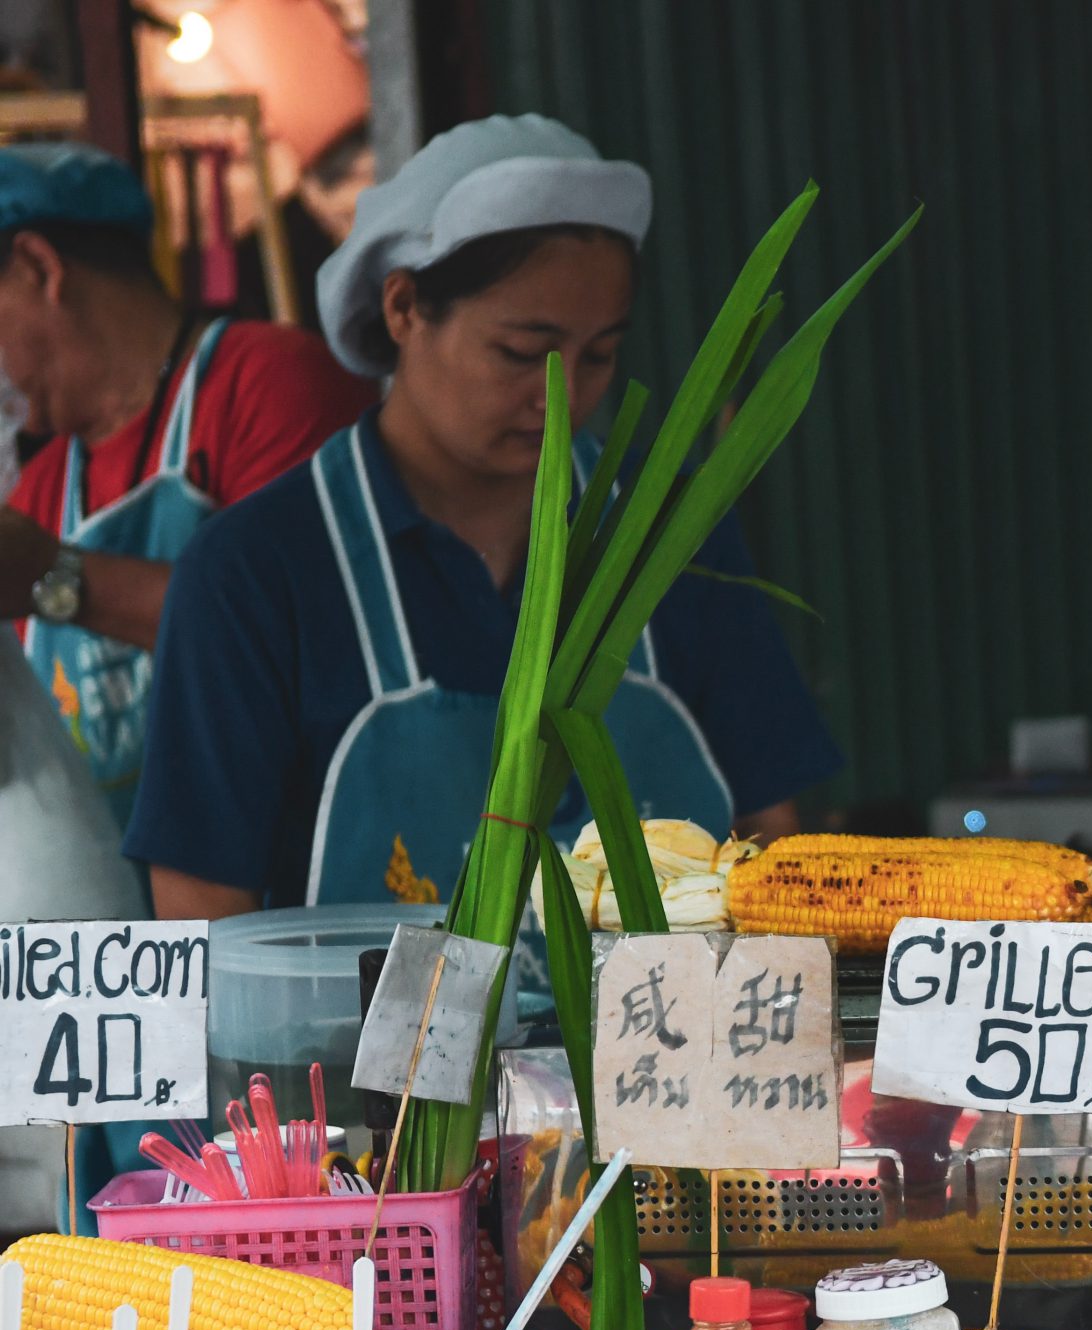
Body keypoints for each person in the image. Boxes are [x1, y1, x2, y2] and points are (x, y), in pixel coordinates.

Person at [127, 114, 840, 920]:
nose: (564, 394)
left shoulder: (667, 531)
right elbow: (199, 915)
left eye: (599, 354)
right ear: (403, 308)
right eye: (522, 352)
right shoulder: (254, 572)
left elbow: (774, 840)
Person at [0, 143, 376, 828]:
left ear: (37, 267)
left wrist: (49, 575)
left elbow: (299, 636)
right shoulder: (43, 485)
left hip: (276, 896)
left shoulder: (271, 384)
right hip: (111, 921)